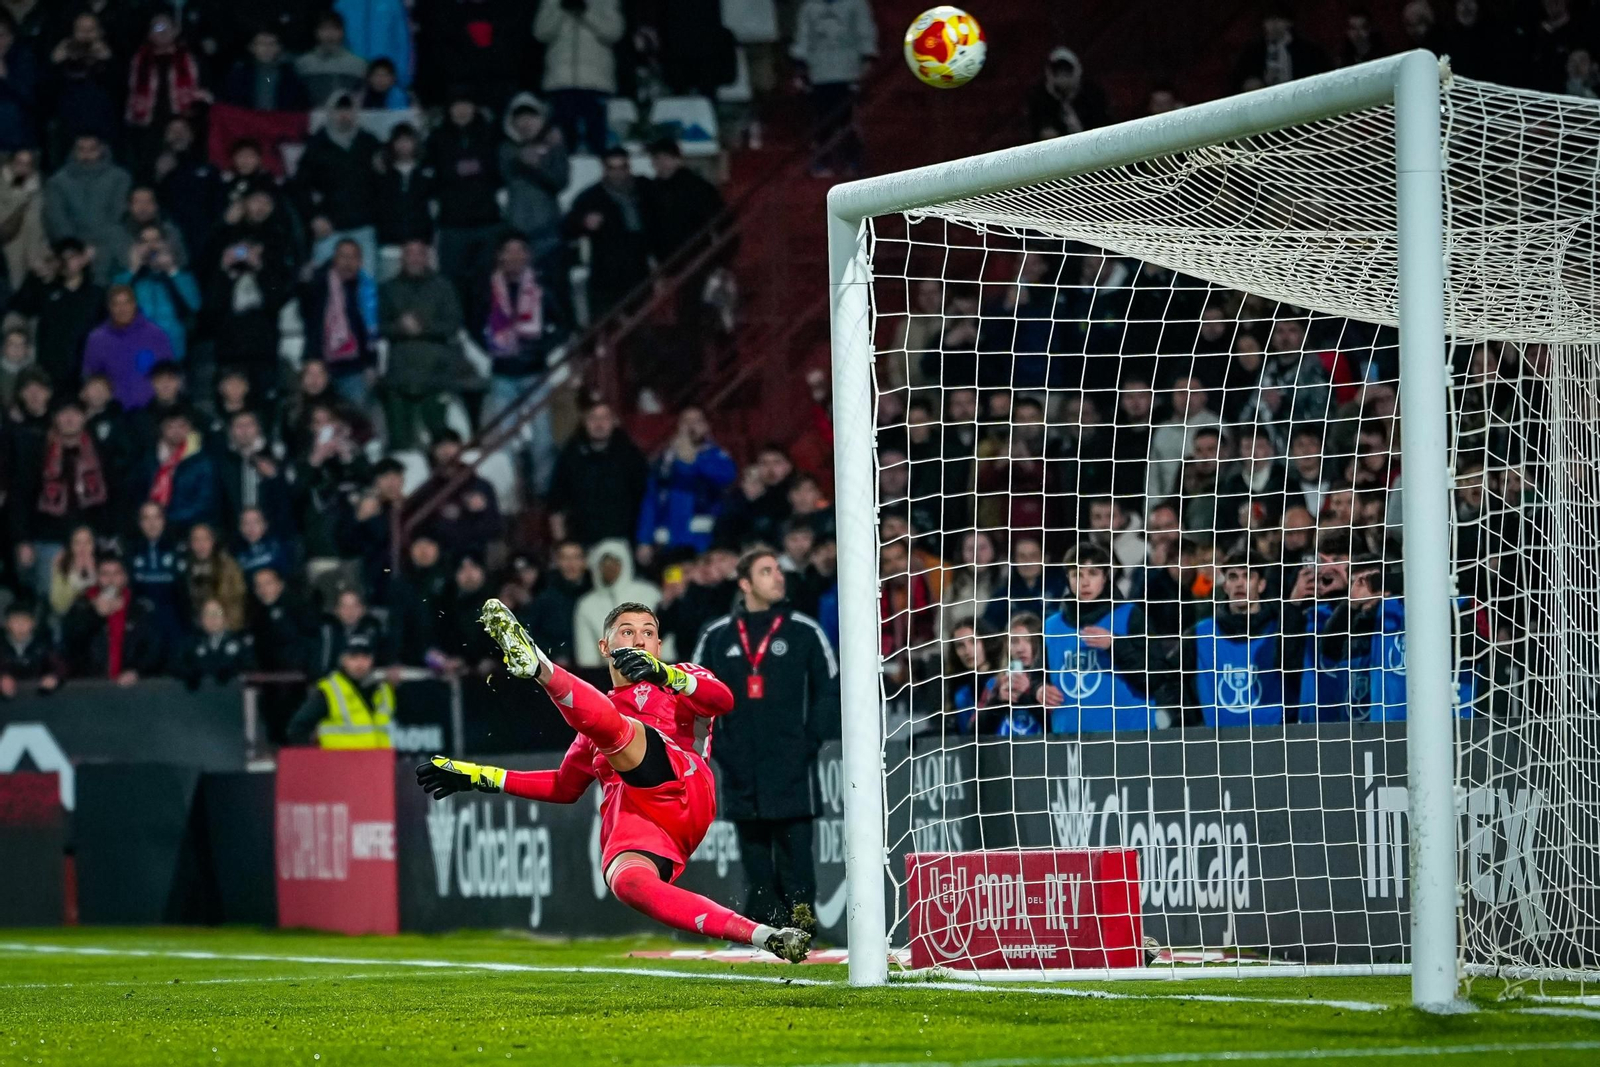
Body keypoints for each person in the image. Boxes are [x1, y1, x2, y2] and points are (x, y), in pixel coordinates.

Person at [418, 598, 811, 962]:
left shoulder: (681, 678)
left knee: (617, 730)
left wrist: (667, 675)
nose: (640, 639)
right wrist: (483, 777)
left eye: (649, 632)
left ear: (659, 646)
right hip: (641, 825)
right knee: (627, 883)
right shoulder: (591, 722)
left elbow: (723, 699)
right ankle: (764, 936)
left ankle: (540, 668)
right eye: (627, 630)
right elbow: (564, 787)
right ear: (605, 648)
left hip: (684, 787)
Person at [691, 548, 838, 930]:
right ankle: (766, 930)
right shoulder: (717, 635)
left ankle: (804, 929)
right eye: (767, 571)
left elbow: (830, 689)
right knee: (754, 856)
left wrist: (810, 741)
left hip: (793, 764)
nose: (778, 577)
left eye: (778, 570)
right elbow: (692, 693)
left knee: (796, 854)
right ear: (745, 583)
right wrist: (719, 749)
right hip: (739, 763)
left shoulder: (804, 631)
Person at [1043, 544, 1164, 734]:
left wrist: (1115, 645)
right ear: (1068, 579)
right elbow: (1036, 674)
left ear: (1106, 576)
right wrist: (1038, 689)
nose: (1085, 582)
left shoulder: (1131, 615)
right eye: (1077, 575)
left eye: (1093, 573)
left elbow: (1155, 677)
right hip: (1069, 740)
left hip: (1128, 737)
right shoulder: (1051, 626)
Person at [1185, 554, 1291, 728]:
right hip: (1216, 745)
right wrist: (1191, 720)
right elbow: (1168, 677)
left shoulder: (1281, 630)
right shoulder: (1200, 633)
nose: (1240, 583)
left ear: (1261, 584)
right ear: (1225, 585)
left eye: (1247, 576)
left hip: (1274, 742)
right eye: (1233, 577)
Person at [379, 238, 463, 450]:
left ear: (427, 257)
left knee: (440, 440)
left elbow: (453, 324)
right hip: (400, 376)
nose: (415, 258)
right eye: (409, 253)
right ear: (402, 258)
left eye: (420, 253)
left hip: (435, 374)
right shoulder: (389, 288)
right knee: (400, 442)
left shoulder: (443, 287)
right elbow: (379, 326)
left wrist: (422, 327)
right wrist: (400, 327)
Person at [426, 90, 504, 303]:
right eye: (456, 105)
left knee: (486, 283)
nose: (461, 111)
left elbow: (500, 173)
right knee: (451, 283)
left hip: (486, 221)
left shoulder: (490, 134)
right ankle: (455, 330)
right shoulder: (436, 137)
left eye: (466, 105)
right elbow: (429, 176)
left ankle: (484, 329)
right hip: (452, 224)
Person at [635, 406, 737, 565]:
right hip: (669, 543)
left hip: (703, 543)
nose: (691, 426)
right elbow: (651, 500)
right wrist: (644, 540)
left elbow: (725, 478)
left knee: (698, 586)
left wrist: (693, 462)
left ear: (706, 426)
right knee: (673, 585)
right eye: (686, 421)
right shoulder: (665, 461)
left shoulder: (717, 456)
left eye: (697, 421)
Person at [563, 147, 651, 321]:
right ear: (604, 169)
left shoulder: (645, 190)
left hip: (639, 273)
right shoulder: (591, 197)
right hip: (606, 277)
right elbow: (567, 228)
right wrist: (583, 223)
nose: (618, 173)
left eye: (622, 167)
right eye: (612, 168)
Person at [295, 92, 381, 269]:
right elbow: (300, 187)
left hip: (364, 226)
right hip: (329, 227)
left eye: (348, 111)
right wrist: (314, 217)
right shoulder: (316, 145)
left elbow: (383, 185)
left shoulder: (369, 143)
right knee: (323, 283)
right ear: (330, 113)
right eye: (339, 111)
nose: (344, 116)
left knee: (367, 282)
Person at [790, 0, 877, 176]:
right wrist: (800, 66)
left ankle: (852, 160)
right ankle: (823, 160)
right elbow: (804, 36)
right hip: (819, 73)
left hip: (848, 72)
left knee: (847, 120)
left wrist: (867, 61)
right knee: (823, 119)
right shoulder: (810, 7)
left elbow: (865, 33)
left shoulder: (856, 5)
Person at [547, 398, 648, 547]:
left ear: (614, 421)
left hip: (623, 540)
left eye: (605, 418)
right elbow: (556, 503)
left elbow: (645, 499)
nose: (599, 424)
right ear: (584, 422)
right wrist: (561, 545)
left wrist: (643, 541)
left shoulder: (630, 454)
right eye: (593, 418)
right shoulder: (571, 454)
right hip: (583, 542)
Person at [8, 238, 102, 393]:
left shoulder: (96, 295)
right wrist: (33, 275)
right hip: (49, 374)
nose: (65, 262)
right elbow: (19, 306)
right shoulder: (46, 290)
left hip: (84, 375)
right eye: (60, 258)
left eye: (71, 256)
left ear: (82, 259)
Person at [532, 0, 624, 155]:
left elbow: (614, 32)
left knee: (597, 140)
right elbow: (540, 33)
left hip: (595, 82)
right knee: (563, 141)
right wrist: (561, 9)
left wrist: (586, 12)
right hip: (560, 81)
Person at [299, 238, 379, 408]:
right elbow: (305, 295)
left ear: (360, 261)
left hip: (353, 368)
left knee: (354, 418)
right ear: (334, 259)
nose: (348, 263)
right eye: (343, 256)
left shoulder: (366, 288)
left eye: (353, 257)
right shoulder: (319, 283)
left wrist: (371, 364)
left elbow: (369, 330)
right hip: (320, 366)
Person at [62, 554, 164, 684]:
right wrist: (95, 615)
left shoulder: (141, 608)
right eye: (105, 574)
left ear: (125, 577)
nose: (111, 579)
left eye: (116, 573)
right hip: (92, 688)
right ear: (98, 578)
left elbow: (154, 649)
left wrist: (137, 671)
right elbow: (71, 645)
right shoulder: (83, 605)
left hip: (131, 688)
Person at [285, 632, 394, 747]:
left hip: (378, 761)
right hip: (339, 762)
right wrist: (313, 760)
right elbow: (297, 728)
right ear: (343, 660)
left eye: (365, 657)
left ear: (372, 660)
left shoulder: (383, 690)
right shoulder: (330, 690)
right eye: (354, 657)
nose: (360, 663)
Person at [42, 135, 130, 276]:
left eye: (92, 149)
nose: (87, 154)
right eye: (81, 149)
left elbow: (118, 215)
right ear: (73, 151)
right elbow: (57, 219)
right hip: (72, 246)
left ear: (102, 149)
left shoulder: (120, 178)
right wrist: (77, 249)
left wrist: (95, 248)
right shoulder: (57, 182)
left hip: (109, 242)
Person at [80, 285, 175, 411]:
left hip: (151, 411)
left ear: (134, 304)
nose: (122, 309)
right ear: (109, 307)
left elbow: (168, 374)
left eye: (126, 303)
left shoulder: (156, 335)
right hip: (112, 412)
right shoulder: (97, 339)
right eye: (116, 304)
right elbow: (90, 377)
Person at [501, 94, 569, 268]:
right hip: (517, 234)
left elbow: (560, 182)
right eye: (520, 119)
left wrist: (536, 167)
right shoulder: (506, 149)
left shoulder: (555, 147)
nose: (525, 123)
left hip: (549, 231)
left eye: (530, 118)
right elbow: (506, 172)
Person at [573, 538, 664, 668]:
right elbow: (587, 657)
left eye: (614, 562)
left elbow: (664, 638)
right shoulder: (587, 605)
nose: (609, 567)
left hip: (653, 672)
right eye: (604, 563)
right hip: (606, 678)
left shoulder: (650, 594)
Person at [518, 539, 592, 665]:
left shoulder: (596, 594)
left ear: (585, 561)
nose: (571, 564)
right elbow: (528, 634)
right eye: (565, 558)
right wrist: (555, 653)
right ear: (557, 562)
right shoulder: (545, 598)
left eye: (576, 557)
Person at [1026, 46, 1110, 140]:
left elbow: (1103, 127)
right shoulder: (1040, 99)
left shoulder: (1092, 96)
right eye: (1058, 72)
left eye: (1066, 71)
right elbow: (1041, 131)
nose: (1062, 78)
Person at [222, 29, 310, 111]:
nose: (267, 48)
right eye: (262, 44)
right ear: (252, 48)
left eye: (271, 44)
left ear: (279, 47)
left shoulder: (291, 75)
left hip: (280, 123)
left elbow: (300, 103)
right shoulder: (240, 74)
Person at [177, 597, 257, 688]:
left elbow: (250, 668)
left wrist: (231, 672)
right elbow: (177, 666)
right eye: (208, 614)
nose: (212, 618)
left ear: (225, 617)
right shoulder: (191, 644)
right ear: (201, 619)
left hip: (232, 696)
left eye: (217, 613)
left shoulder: (240, 642)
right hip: (199, 698)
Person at [296, 12, 368, 105]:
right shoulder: (303, 64)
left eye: (335, 29)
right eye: (324, 29)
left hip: (347, 118)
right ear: (316, 32)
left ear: (342, 32)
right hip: (313, 117)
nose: (330, 34)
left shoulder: (358, 64)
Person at [0, 599, 63, 698]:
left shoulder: (43, 645)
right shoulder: (2, 646)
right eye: (15, 621)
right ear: (7, 624)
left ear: (33, 623)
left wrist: (54, 677)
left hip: (37, 701)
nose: (20, 626)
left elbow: (61, 666)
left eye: (25, 621)